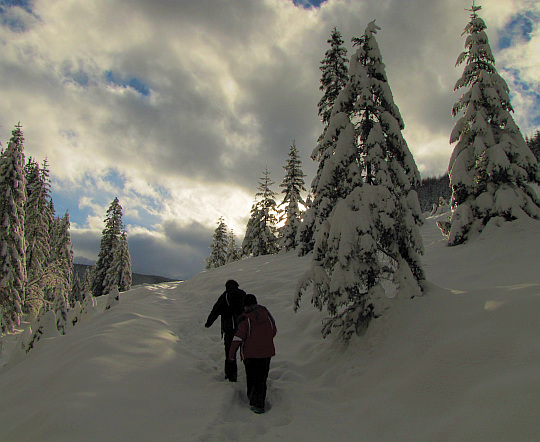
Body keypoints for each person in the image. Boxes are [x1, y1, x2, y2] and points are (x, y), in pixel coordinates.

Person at [228, 294, 277, 414]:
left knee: (251, 376)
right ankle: (257, 401)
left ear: (245, 306)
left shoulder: (246, 320)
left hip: (250, 354)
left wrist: (231, 354)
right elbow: (273, 331)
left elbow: (238, 338)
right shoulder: (267, 315)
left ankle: (255, 401)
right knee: (261, 378)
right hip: (266, 353)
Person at [205, 279, 246, 382]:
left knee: (230, 353)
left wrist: (208, 323)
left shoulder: (225, 296)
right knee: (247, 352)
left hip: (230, 329)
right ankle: (252, 375)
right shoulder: (243, 294)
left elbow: (215, 310)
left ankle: (231, 377)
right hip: (244, 329)